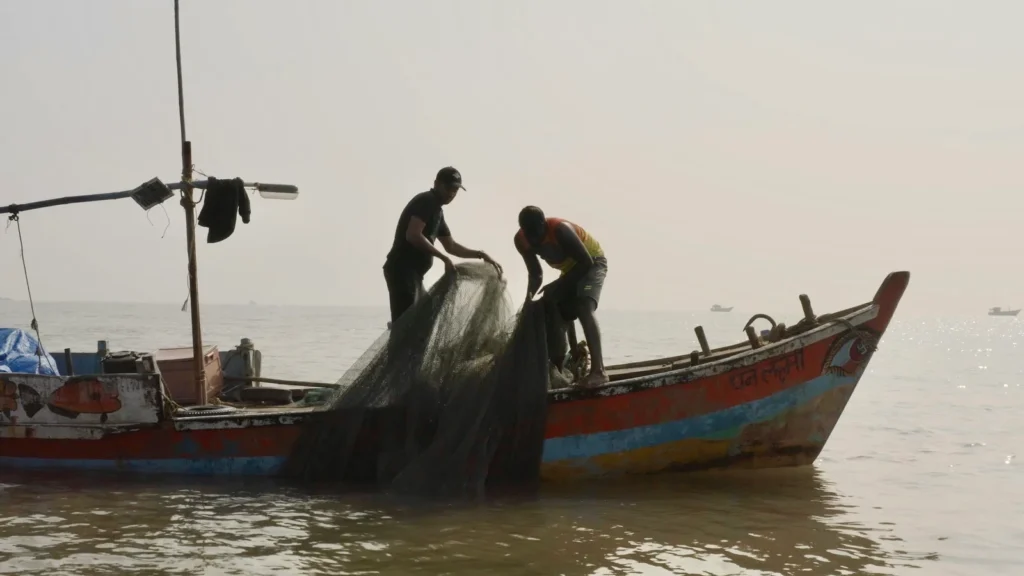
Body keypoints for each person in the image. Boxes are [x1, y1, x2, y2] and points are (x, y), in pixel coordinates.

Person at [383, 166, 502, 323]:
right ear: (436, 184)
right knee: (406, 324)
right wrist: (443, 258)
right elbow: (413, 235)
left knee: (426, 315)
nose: (451, 194)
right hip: (402, 271)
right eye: (448, 188)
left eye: (455, 190)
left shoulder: (437, 211)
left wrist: (480, 254)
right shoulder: (427, 201)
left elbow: (451, 246)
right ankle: (396, 346)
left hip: (415, 275)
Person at [514, 206, 609, 387]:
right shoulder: (521, 240)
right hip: (569, 270)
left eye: (537, 234)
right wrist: (529, 300)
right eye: (530, 235)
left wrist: (558, 284)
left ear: (544, 224)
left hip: (592, 262)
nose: (534, 240)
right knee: (554, 306)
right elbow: (535, 274)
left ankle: (599, 371)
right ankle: (570, 362)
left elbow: (585, 262)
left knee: (583, 306)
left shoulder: (560, 230)